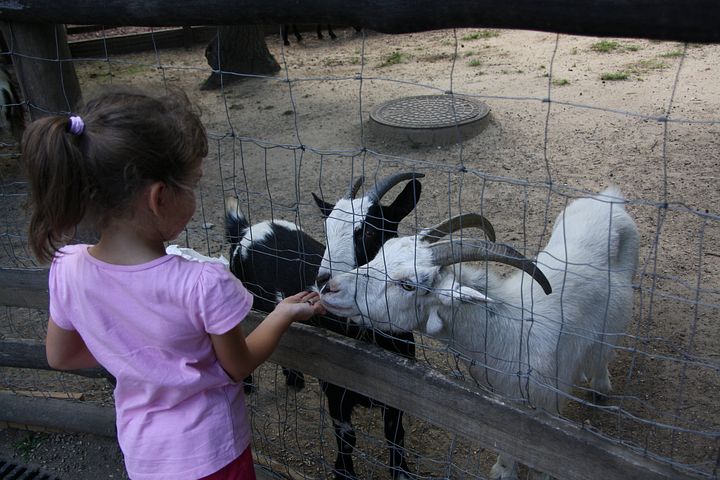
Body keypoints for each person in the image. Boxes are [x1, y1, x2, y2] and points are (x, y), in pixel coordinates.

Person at [22, 87, 325, 480]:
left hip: (144, 455)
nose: (196, 195)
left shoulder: (66, 267)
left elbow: (60, 357)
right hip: (212, 454)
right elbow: (238, 366)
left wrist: (133, 356)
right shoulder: (202, 283)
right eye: (193, 184)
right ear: (159, 197)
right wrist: (282, 314)